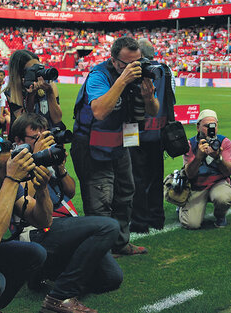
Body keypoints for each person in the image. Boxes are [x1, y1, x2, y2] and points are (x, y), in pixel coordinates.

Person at [12, 113, 123, 313]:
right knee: (108, 226)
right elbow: (25, 198)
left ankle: (42, 271)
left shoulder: (47, 157)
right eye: (35, 138)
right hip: (35, 231)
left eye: (44, 136)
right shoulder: (14, 164)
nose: (42, 142)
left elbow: (70, 192)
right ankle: (59, 296)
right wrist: (35, 158)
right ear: (18, 140)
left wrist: (59, 168)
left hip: (62, 227)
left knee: (112, 278)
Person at [72, 36, 159, 256]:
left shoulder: (140, 75)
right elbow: (100, 111)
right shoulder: (99, 76)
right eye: (126, 64)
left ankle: (120, 244)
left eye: (136, 62)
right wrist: (122, 81)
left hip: (119, 145)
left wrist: (149, 97)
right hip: (91, 147)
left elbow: (153, 110)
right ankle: (100, 254)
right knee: (100, 201)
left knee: (125, 194)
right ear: (114, 60)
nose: (132, 68)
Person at [0, 137, 52, 313]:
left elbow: (43, 221)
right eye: (9, 168)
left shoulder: (4, 183)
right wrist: (12, 179)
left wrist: (42, 190)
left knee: (34, 253)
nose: (16, 170)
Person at [129, 38, 175, 233]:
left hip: (133, 131)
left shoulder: (133, 70)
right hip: (158, 131)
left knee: (135, 178)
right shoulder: (166, 70)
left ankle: (139, 222)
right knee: (155, 177)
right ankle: (157, 218)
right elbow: (171, 98)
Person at [179, 109, 231, 229]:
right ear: (198, 127)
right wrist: (198, 157)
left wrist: (217, 158)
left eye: (213, 126)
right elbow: (189, 174)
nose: (211, 129)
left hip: (217, 183)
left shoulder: (224, 142)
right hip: (197, 185)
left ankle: (220, 215)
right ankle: (182, 205)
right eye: (206, 126)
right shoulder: (190, 144)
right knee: (191, 224)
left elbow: (228, 171)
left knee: (224, 198)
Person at [5, 50, 63, 134]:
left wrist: (50, 93)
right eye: (33, 70)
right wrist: (31, 95)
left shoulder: (50, 85)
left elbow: (57, 119)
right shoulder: (12, 93)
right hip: (26, 142)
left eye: (39, 67)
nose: (38, 73)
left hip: (49, 138)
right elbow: (25, 126)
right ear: (21, 73)